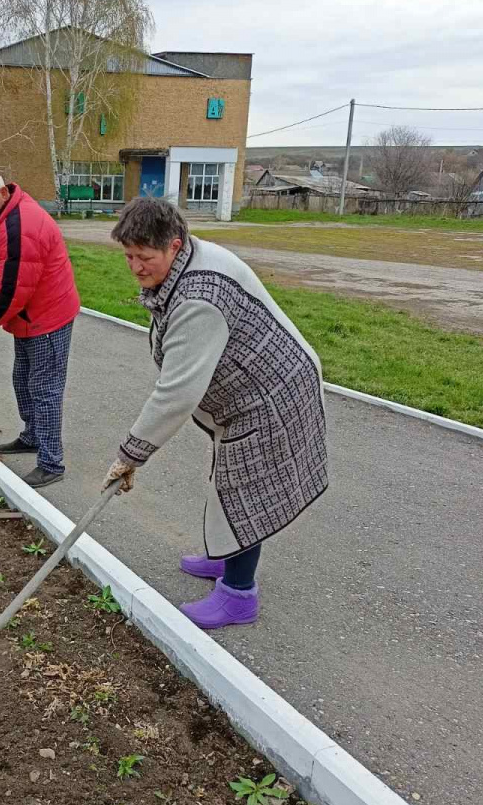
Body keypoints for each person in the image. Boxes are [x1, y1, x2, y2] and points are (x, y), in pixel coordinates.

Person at [103, 197, 328, 629]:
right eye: (128, 255)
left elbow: (176, 392)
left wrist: (130, 455)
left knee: (244, 492)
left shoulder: (199, 299)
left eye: (144, 257)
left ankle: (239, 595)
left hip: (271, 396)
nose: (135, 267)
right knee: (229, 481)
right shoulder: (189, 259)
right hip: (250, 390)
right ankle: (226, 558)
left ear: (173, 244)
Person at [0, 161, 80, 488]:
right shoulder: (6, 213)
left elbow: (13, 290)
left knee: (44, 389)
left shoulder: (22, 224)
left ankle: (51, 462)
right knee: (22, 378)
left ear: (1, 192)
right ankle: (33, 436)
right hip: (31, 318)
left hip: (47, 318)